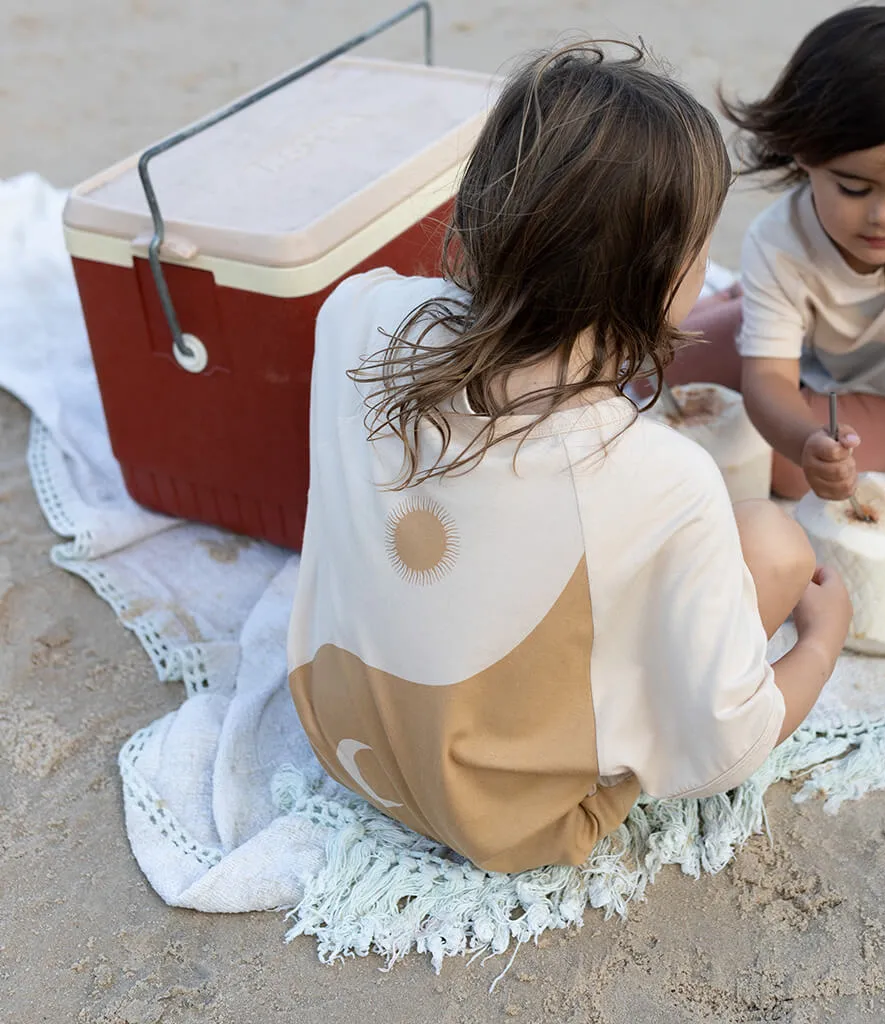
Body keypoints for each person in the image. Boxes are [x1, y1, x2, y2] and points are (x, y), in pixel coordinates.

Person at [286, 43, 851, 874]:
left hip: (343, 736)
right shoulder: (661, 479)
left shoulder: (354, 309)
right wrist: (821, 645)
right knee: (772, 543)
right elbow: (728, 751)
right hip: (513, 818)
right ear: (666, 280)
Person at [667, 1, 885, 590]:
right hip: (812, 352)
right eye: (855, 187)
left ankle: (747, 314)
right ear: (805, 155)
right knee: (663, 363)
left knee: (784, 470)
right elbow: (771, 381)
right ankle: (747, 307)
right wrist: (808, 432)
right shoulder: (779, 239)